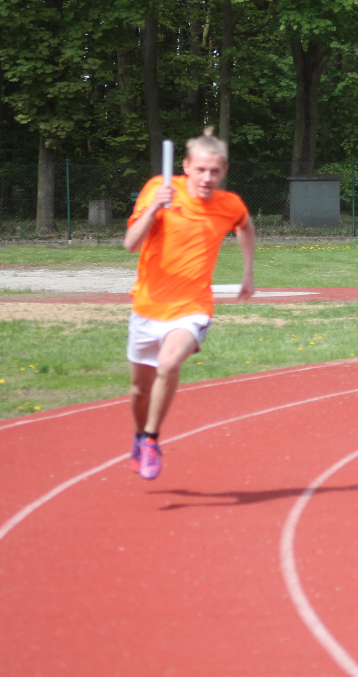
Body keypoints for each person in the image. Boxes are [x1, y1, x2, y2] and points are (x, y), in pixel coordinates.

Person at [124, 128, 255, 479]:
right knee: (139, 390)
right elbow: (130, 244)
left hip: (193, 306)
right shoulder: (158, 188)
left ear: (223, 171)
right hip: (147, 306)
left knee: (168, 365)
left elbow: (246, 227)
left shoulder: (230, 205)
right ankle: (139, 435)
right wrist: (155, 207)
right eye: (200, 170)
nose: (207, 177)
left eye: (214, 171)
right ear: (185, 166)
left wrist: (248, 273)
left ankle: (151, 439)